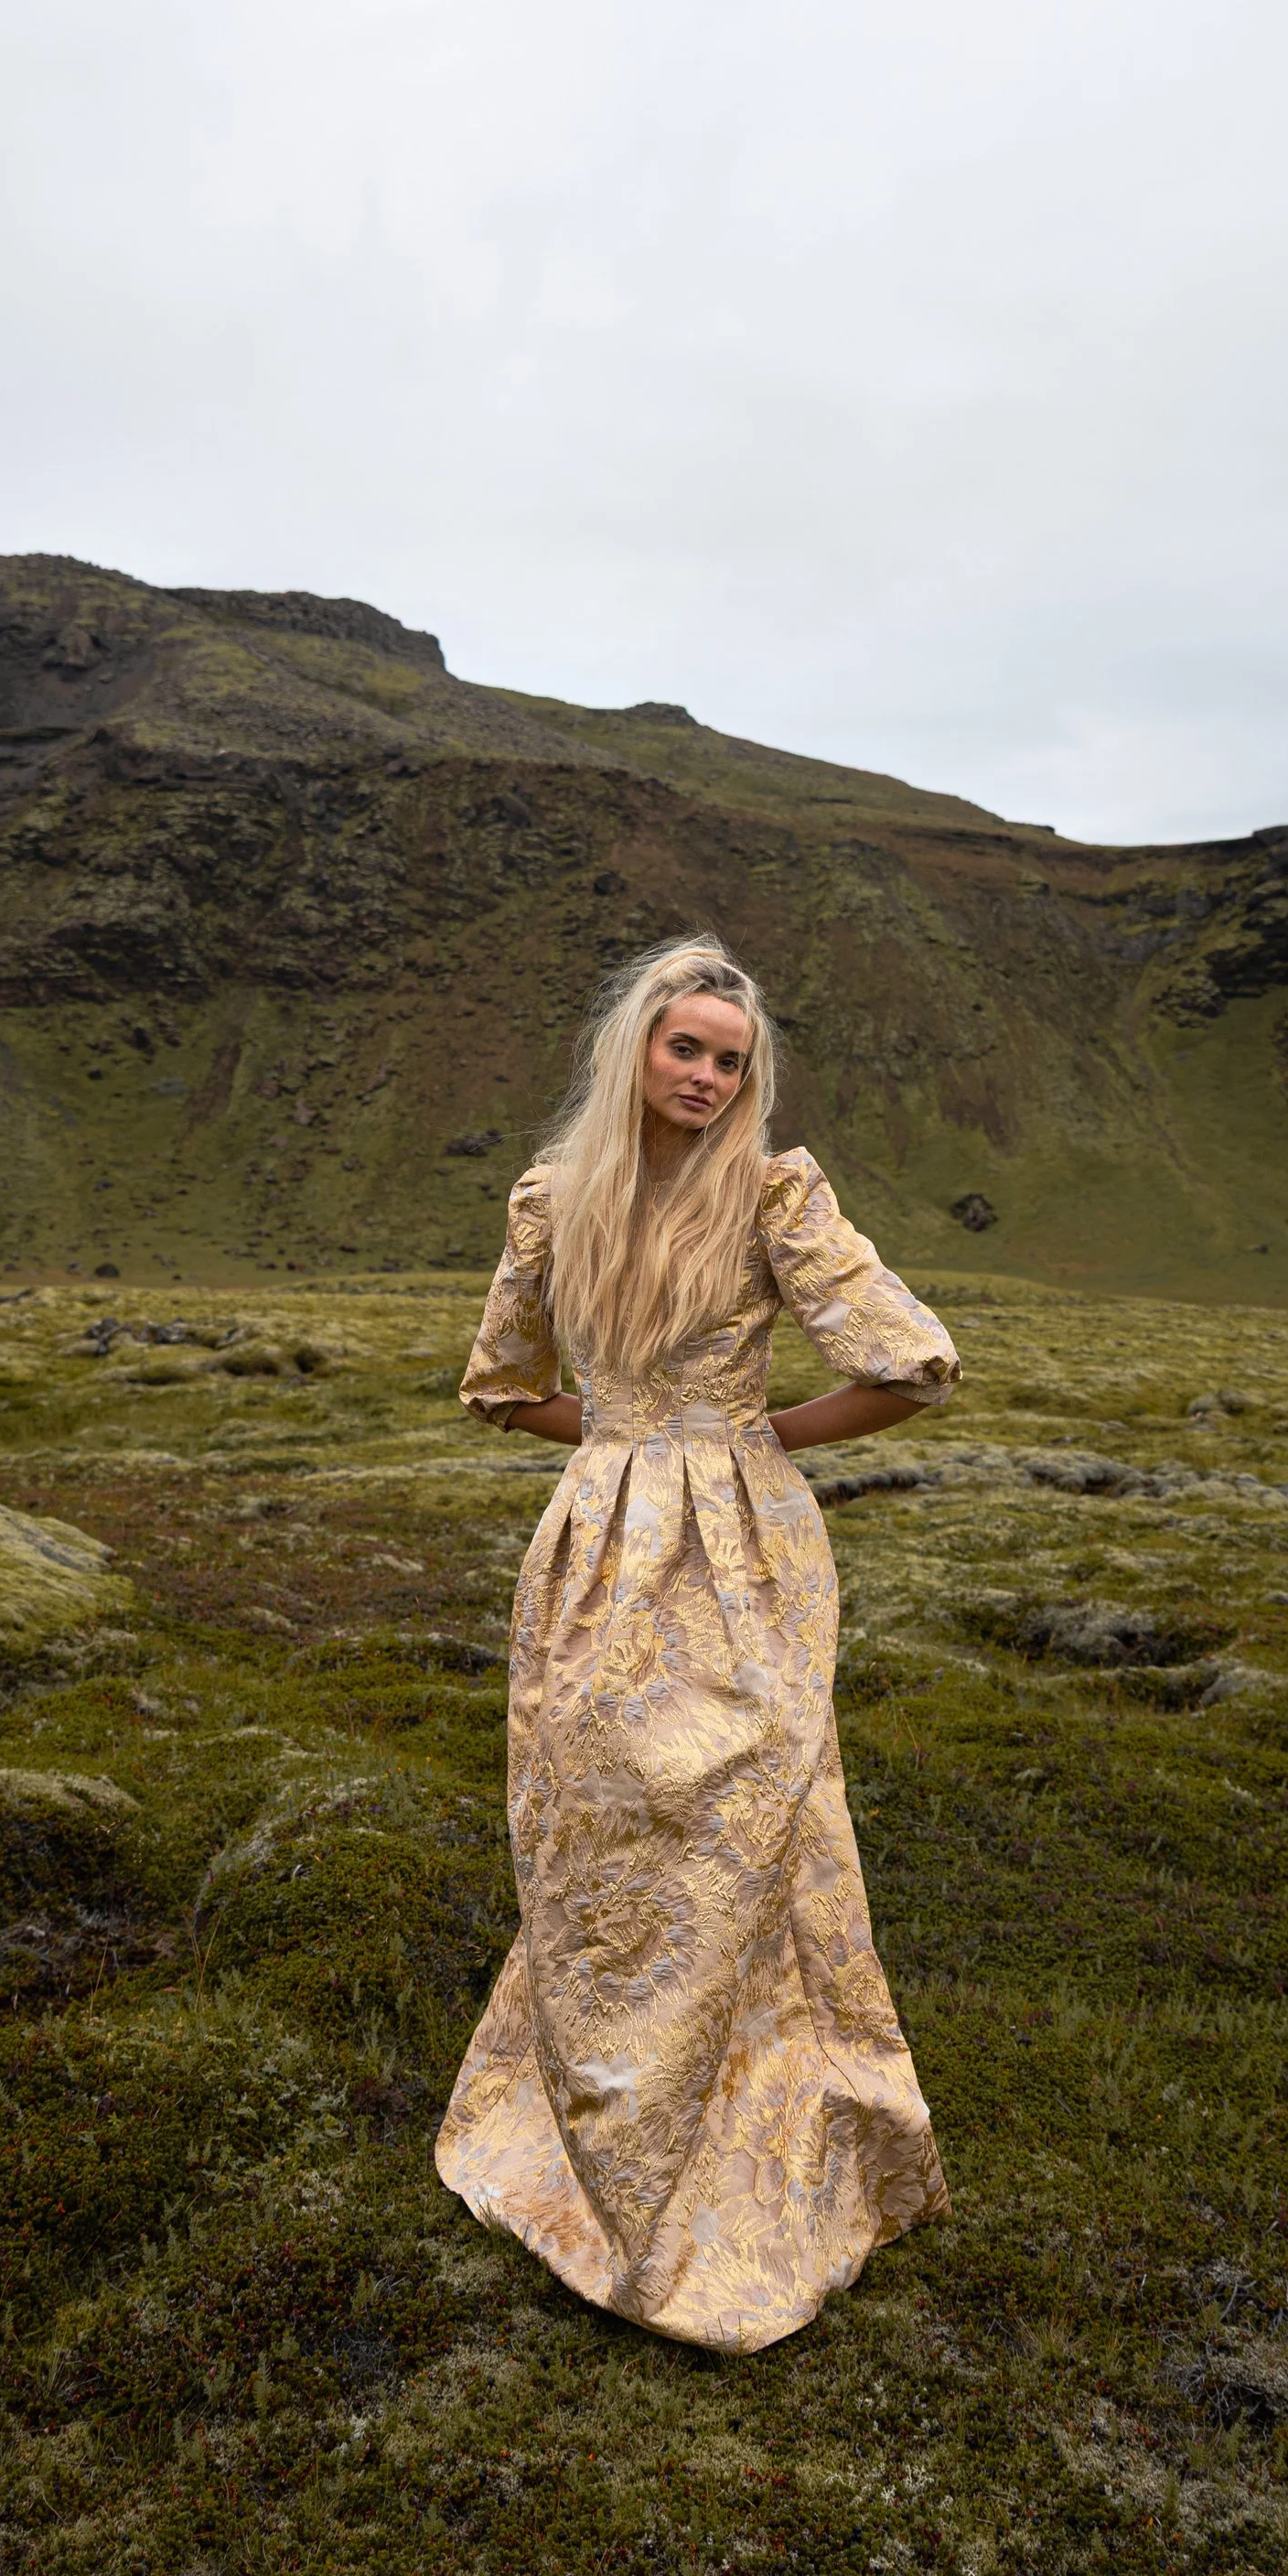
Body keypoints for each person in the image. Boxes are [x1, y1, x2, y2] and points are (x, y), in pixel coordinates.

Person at [437, 933, 958, 2353]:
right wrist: (635, 1442)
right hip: (605, 1544)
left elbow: (908, 1360)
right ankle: (604, 2116)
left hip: (741, 1547)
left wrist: (749, 1440)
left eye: (733, 1060)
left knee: (755, 1811)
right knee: (596, 1819)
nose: (710, 1079)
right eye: (688, 1049)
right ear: (637, 1050)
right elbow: (500, 1387)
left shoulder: (776, 1196)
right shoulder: (553, 1201)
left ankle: (775, 2132)